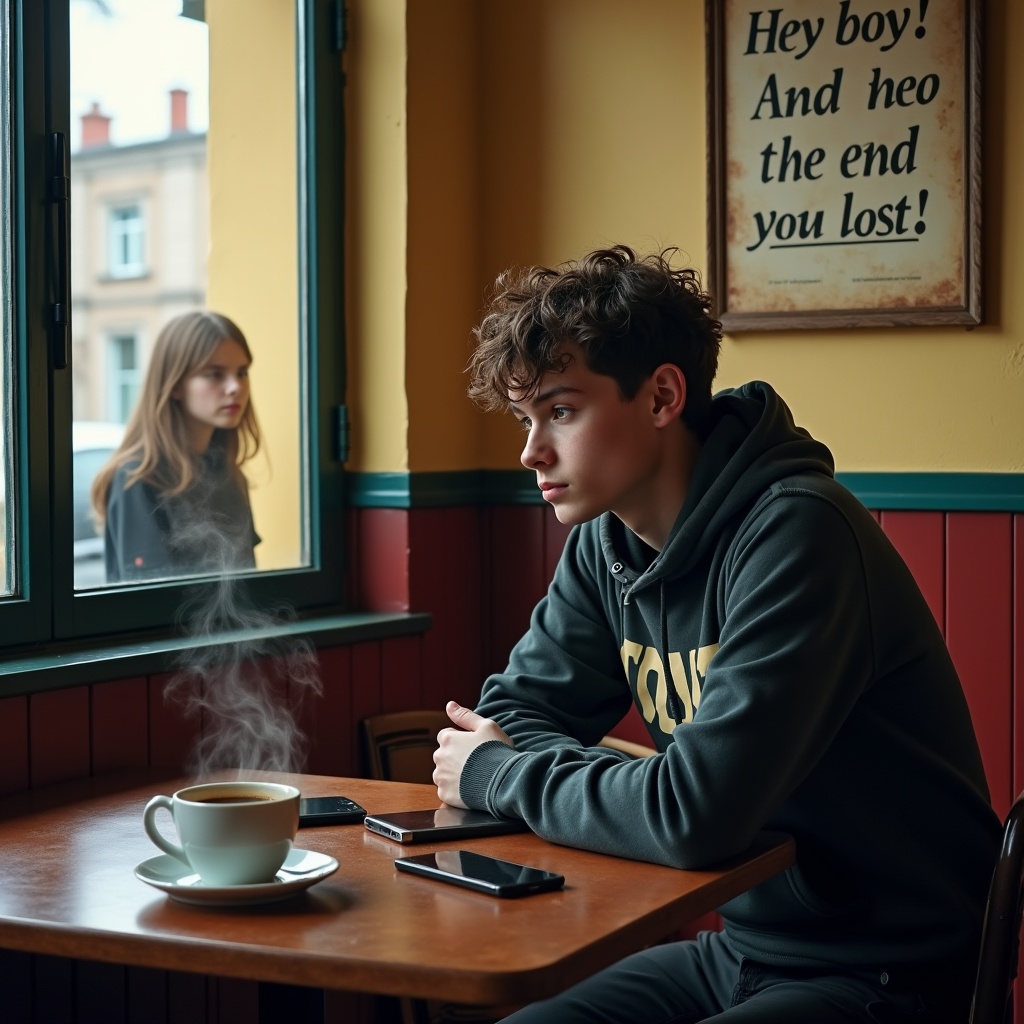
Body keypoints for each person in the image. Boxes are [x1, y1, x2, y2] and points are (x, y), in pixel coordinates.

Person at [433, 245, 1001, 1023]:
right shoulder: (606, 544)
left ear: (663, 395)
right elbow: (510, 713)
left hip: (893, 974)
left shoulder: (800, 535)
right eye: (524, 418)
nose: (529, 450)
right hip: (740, 952)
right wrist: (595, 784)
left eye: (560, 411)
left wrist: (505, 776)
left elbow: (689, 816)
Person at [92, 310, 261, 583]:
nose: (235, 387)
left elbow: (247, 582)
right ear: (174, 384)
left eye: (242, 372)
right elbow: (149, 604)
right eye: (215, 374)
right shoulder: (137, 478)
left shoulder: (229, 473)